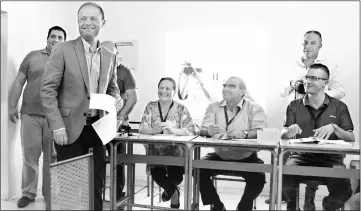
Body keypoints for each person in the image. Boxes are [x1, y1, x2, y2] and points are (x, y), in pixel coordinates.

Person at [40, 2, 121, 210]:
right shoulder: (62, 49)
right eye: (82, 19)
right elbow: (48, 90)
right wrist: (57, 126)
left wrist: (114, 104)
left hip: (97, 130)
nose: (87, 23)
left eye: (93, 19)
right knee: (70, 188)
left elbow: (113, 89)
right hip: (67, 130)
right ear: (77, 22)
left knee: (96, 186)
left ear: (103, 22)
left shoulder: (109, 56)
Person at [272, 30, 346, 210]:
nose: (308, 46)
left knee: (313, 152)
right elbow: (281, 91)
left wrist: (318, 92)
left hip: (320, 113)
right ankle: (290, 199)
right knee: (288, 152)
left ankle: (310, 198)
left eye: (313, 43)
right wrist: (292, 84)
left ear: (320, 46)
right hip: (296, 114)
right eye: (305, 42)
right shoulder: (292, 65)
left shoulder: (329, 66)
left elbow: (341, 90)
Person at [281, 63, 354, 211]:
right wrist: (289, 132)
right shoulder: (293, 106)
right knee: (286, 177)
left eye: (314, 78)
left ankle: (328, 205)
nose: (307, 81)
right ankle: (292, 206)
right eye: (307, 77)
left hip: (331, 158)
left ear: (325, 83)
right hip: (301, 157)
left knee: (343, 193)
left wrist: (335, 127)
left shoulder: (340, 107)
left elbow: (351, 138)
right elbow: (283, 135)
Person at [8, 25, 66, 208]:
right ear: (47, 38)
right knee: (30, 156)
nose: (55, 40)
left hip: (54, 117)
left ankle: (49, 193)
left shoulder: (66, 61)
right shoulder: (32, 56)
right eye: (53, 36)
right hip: (29, 115)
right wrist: (11, 106)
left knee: (53, 158)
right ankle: (28, 193)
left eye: (59, 38)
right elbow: (18, 81)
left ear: (64, 41)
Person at [198, 76, 267, 211]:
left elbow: (261, 131)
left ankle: (243, 206)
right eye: (225, 85)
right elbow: (202, 130)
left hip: (246, 158)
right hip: (220, 156)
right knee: (198, 169)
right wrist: (208, 131)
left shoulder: (255, 108)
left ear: (242, 92)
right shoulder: (213, 107)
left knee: (259, 176)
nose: (226, 88)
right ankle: (216, 206)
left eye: (232, 86)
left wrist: (245, 134)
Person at [139, 77, 196, 209]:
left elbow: (191, 130)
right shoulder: (151, 107)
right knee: (156, 174)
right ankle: (173, 192)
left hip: (176, 154)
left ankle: (170, 190)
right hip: (155, 153)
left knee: (176, 178)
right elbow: (142, 127)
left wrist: (174, 130)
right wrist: (153, 130)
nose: (163, 91)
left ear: (174, 91)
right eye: (161, 88)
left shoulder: (181, 109)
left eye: (168, 88)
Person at [102, 41, 139, 201]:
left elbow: (133, 98)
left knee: (118, 162)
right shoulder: (94, 69)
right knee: (96, 161)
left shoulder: (124, 72)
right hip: (96, 125)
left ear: (117, 54)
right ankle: (95, 195)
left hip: (118, 126)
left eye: (111, 53)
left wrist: (119, 117)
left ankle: (117, 196)